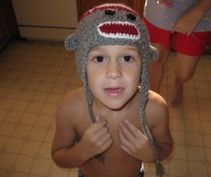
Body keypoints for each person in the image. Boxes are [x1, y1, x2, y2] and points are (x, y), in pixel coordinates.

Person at [51, 3, 173, 177]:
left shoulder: (155, 108)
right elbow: (58, 156)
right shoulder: (71, 107)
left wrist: (152, 153)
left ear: (143, 65)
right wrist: (82, 152)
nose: (114, 73)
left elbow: (166, 148)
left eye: (127, 57)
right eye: (99, 58)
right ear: (82, 65)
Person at [143, 0, 211, 106]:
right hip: (160, 8)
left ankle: (179, 83)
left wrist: (198, 11)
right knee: (154, 60)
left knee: (185, 74)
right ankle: (151, 102)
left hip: (202, 10)